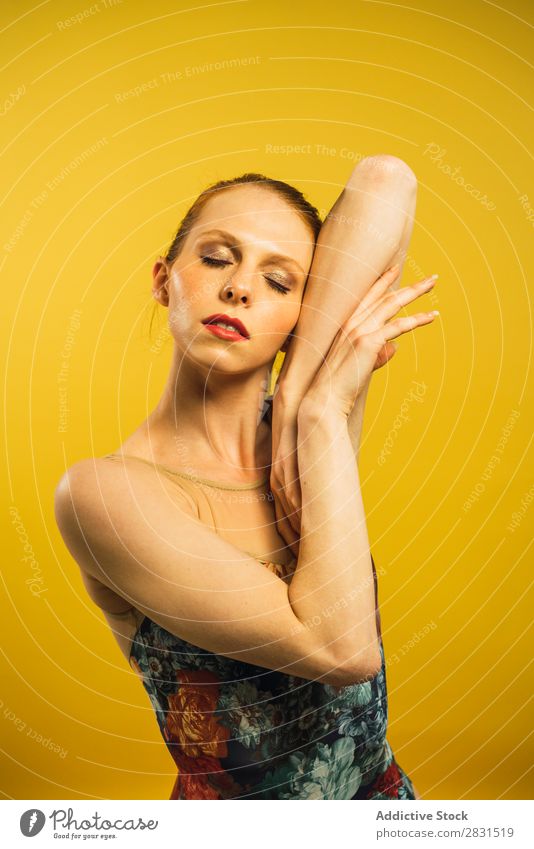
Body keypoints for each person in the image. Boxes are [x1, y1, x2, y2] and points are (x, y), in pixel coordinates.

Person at [54, 162, 438, 799]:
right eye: (215, 259)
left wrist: (296, 396)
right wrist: (318, 413)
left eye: (278, 281)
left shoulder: (298, 434)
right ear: (163, 281)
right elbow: (346, 653)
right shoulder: (107, 495)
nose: (239, 289)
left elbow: (387, 180)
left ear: (305, 317)